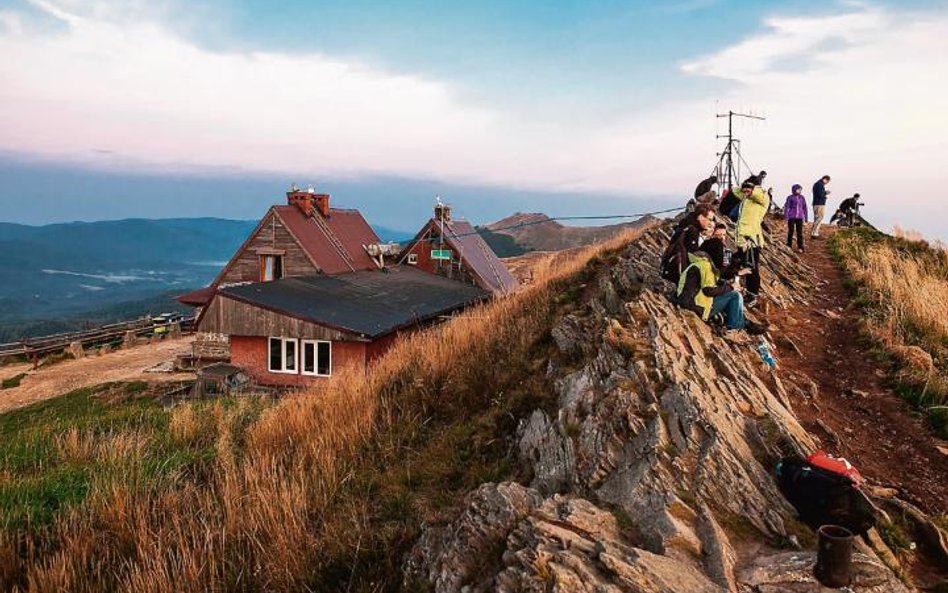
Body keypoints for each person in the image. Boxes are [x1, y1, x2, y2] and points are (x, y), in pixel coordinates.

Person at [676, 250, 767, 335]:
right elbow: (708, 291)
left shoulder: (696, 264)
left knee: (730, 296)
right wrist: (731, 287)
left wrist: (726, 285)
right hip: (696, 306)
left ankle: (746, 324)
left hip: (686, 301)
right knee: (735, 296)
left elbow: (709, 283)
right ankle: (735, 327)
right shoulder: (705, 266)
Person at [734, 180, 770, 307]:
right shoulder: (747, 199)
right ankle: (748, 293)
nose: (746, 192)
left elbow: (759, 194)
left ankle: (753, 296)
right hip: (742, 240)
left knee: (751, 269)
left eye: (748, 190)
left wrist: (752, 188)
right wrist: (745, 186)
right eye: (744, 190)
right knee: (744, 267)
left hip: (751, 240)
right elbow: (735, 190)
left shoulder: (761, 199)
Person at [660, 204, 715, 284]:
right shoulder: (692, 231)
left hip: (670, 269)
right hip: (676, 274)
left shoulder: (686, 225)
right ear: (700, 217)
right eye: (709, 219)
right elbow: (693, 256)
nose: (710, 222)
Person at [784, 184, 808, 252]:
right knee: (791, 231)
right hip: (791, 217)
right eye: (798, 189)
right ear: (794, 189)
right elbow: (787, 207)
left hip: (800, 217)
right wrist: (786, 217)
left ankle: (800, 247)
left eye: (800, 189)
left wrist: (805, 218)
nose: (799, 191)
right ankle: (789, 245)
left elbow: (805, 208)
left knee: (799, 233)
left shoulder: (802, 197)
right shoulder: (790, 197)